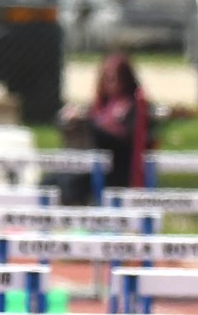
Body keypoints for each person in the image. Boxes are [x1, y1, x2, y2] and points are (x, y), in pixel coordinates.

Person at [52, 52, 154, 204]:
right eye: (105, 77)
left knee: (70, 185)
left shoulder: (133, 105)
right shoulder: (101, 105)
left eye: (113, 78)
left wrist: (91, 124)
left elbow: (122, 140)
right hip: (90, 166)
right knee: (50, 181)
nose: (108, 83)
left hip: (118, 170)